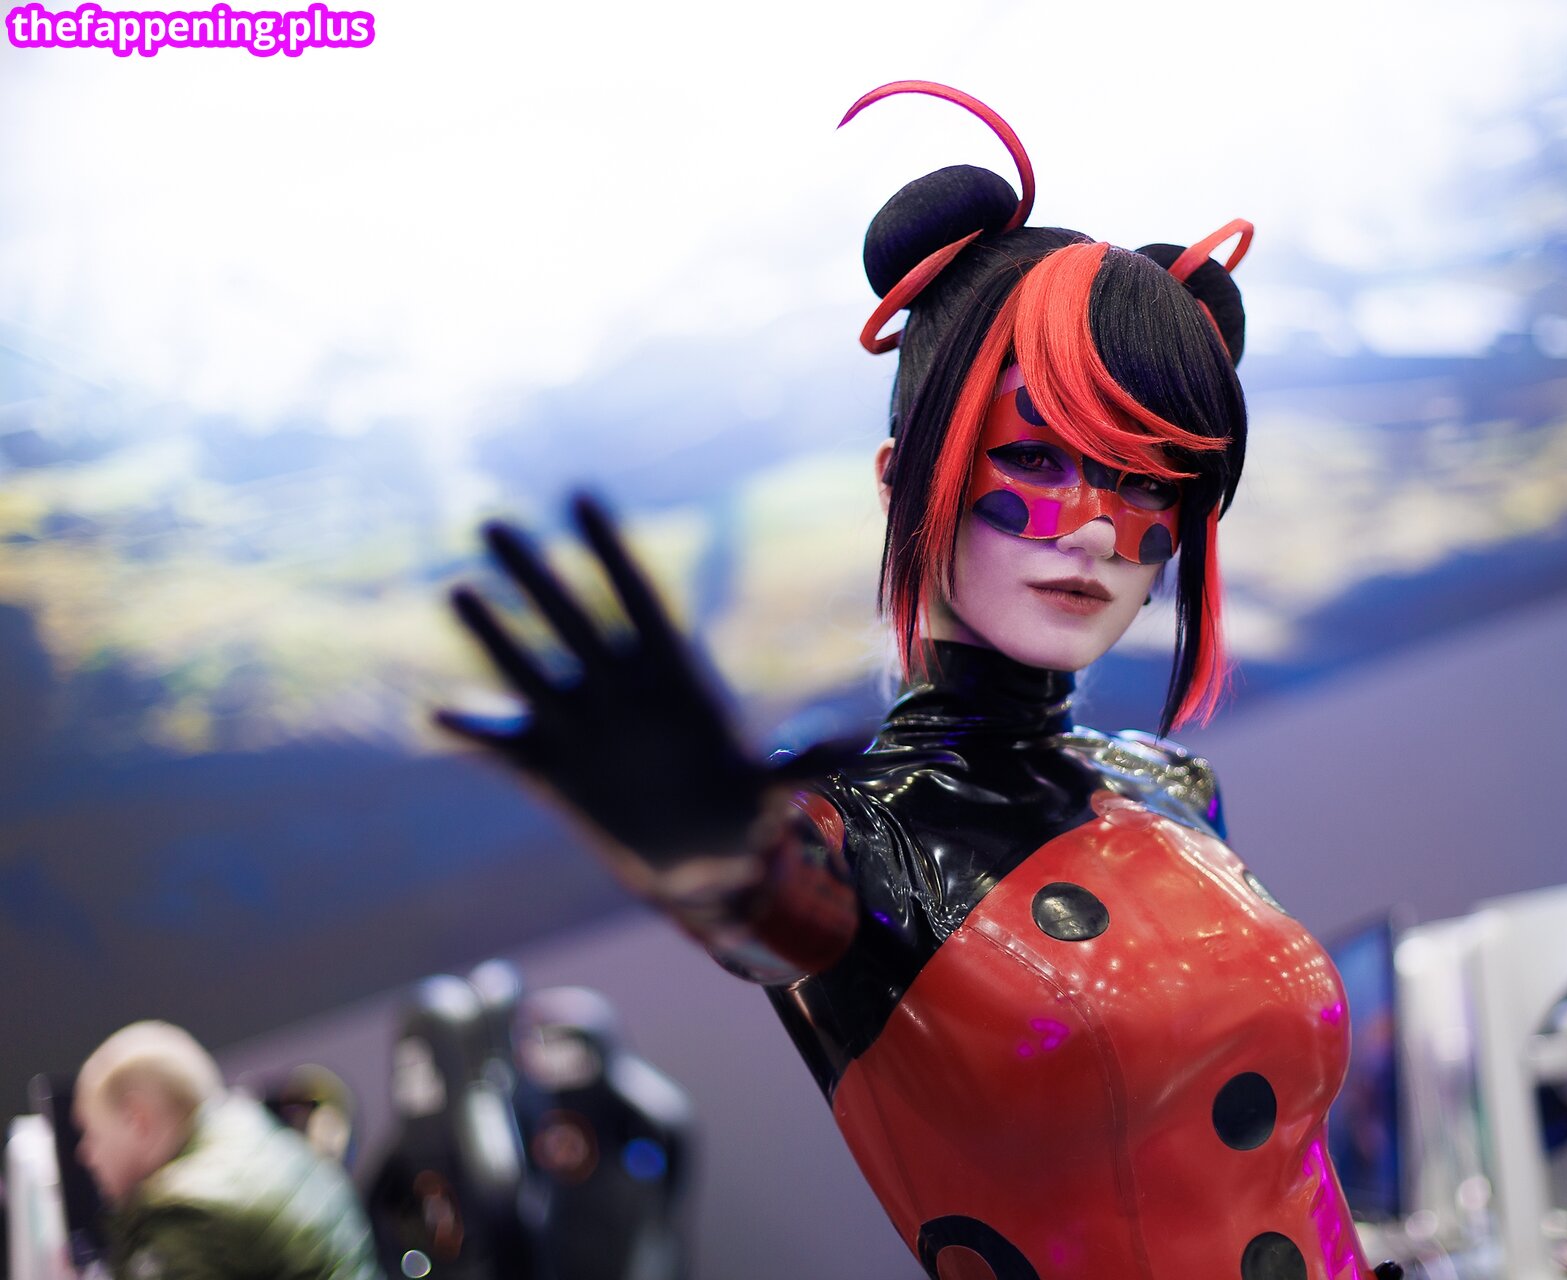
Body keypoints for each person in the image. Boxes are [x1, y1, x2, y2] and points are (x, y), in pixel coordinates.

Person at [441, 81, 1389, 1280]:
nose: (1097, 528)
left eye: (1146, 478)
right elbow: (783, 906)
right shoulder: (858, 838)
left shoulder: (1174, 787)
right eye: (1034, 455)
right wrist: (714, 856)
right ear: (903, 477)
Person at [74, 1021, 379, 1280]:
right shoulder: (261, 1136)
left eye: (91, 1133)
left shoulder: (186, 1213)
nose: (85, 1153)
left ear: (137, 1119)